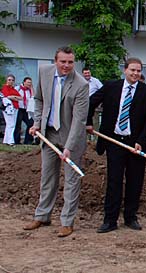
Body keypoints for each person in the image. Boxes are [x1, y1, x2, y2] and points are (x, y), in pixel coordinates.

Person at [23, 46, 89, 237]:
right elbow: (39, 99)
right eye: (63, 62)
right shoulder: (44, 72)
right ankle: (42, 215)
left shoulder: (81, 84)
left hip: (71, 137)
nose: (66, 66)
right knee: (47, 177)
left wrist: (69, 147)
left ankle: (67, 222)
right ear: (55, 61)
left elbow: (79, 120)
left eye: (70, 62)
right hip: (49, 134)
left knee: (71, 180)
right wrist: (37, 123)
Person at [87, 57, 146, 233]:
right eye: (132, 70)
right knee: (114, 181)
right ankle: (110, 220)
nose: (135, 73)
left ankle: (130, 217)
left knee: (135, 181)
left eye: (138, 70)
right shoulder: (111, 87)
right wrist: (88, 122)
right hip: (115, 141)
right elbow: (90, 102)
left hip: (136, 145)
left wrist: (141, 141)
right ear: (125, 70)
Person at [1, 74, 21, 145]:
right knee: (11, 124)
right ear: (7, 80)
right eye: (9, 80)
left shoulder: (13, 89)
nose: (11, 81)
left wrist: (13, 97)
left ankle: (6, 140)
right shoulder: (4, 88)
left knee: (11, 124)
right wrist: (13, 97)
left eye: (12, 80)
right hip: (8, 108)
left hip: (15, 107)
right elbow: (7, 96)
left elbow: (20, 97)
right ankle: (10, 141)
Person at [15, 77, 35, 144]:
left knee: (31, 123)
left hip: (26, 109)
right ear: (24, 82)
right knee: (18, 125)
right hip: (19, 109)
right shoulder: (18, 88)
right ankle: (16, 141)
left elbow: (33, 97)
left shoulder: (29, 90)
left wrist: (31, 88)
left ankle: (28, 141)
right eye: (28, 82)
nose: (29, 84)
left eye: (30, 82)